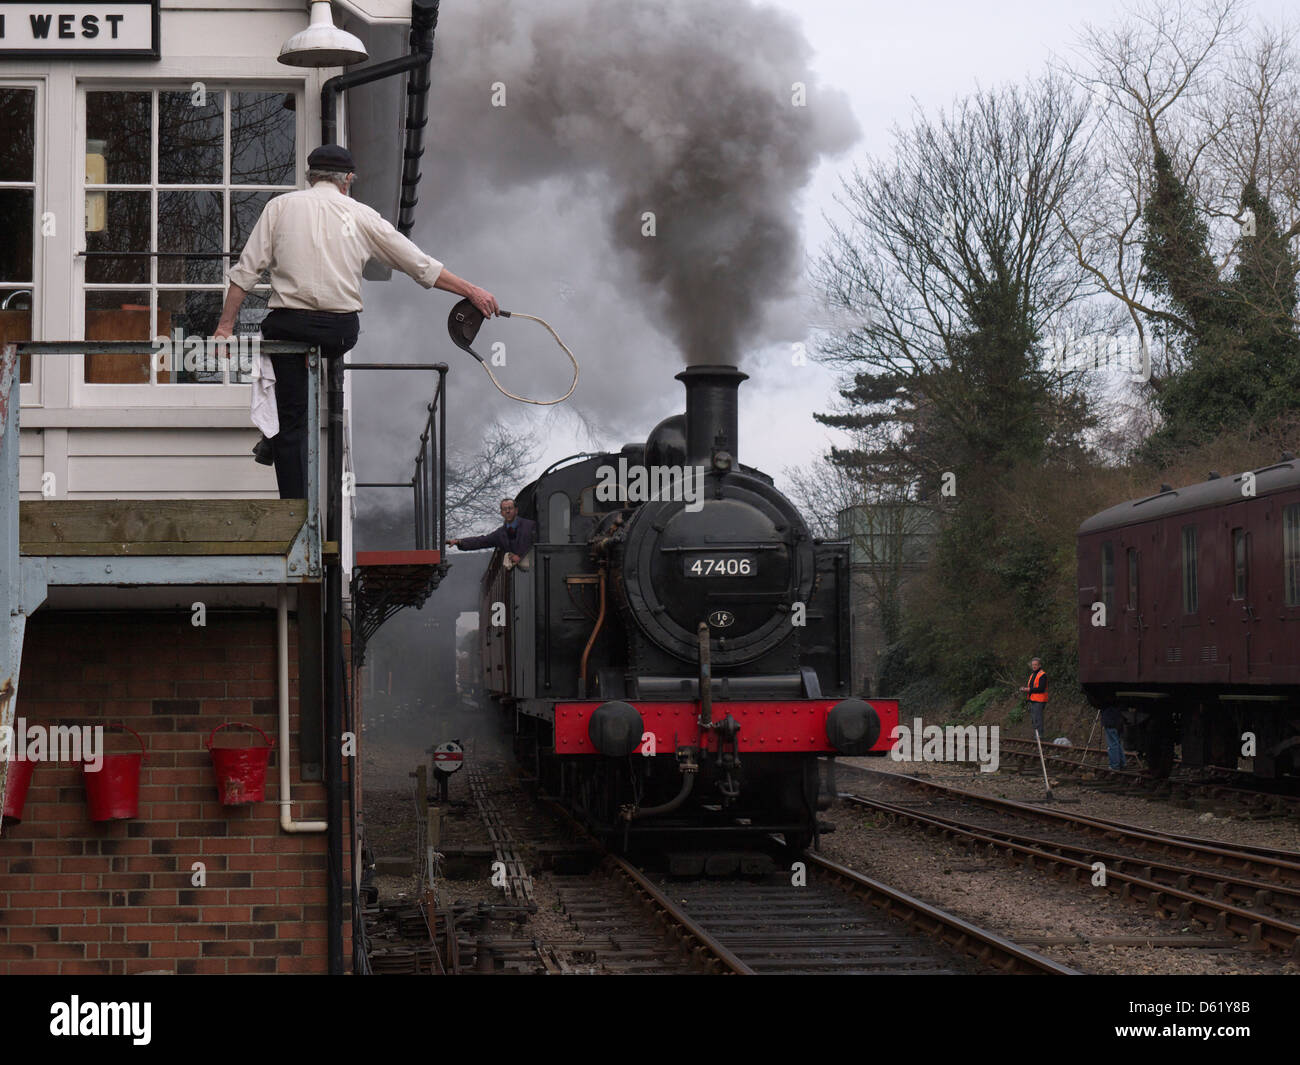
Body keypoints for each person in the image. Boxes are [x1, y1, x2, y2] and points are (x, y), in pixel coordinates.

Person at [213, 144, 499, 499]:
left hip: (289, 326)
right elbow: (420, 266)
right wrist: (471, 291)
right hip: (339, 331)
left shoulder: (280, 207)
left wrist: (225, 328)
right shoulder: (361, 215)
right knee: (309, 375)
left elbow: (246, 273)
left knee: (292, 418)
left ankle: (289, 493)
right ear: (347, 180)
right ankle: (286, 417)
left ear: (310, 176)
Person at [448, 498, 537, 567]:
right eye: (504, 509)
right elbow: (481, 541)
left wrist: (522, 557)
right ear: (501, 513)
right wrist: (460, 542)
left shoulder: (530, 526)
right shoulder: (500, 534)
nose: (508, 511)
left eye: (510, 508)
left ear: (516, 510)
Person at [1019, 657, 1048, 737]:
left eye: (1036, 665)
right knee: (1034, 718)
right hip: (1033, 699)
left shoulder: (1042, 675)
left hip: (1039, 700)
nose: (1034, 666)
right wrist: (1025, 689)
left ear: (1040, 665)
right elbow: (1032, 687)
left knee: (1038, 718)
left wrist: (1028, 689)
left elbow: (1041, 689)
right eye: (1033, 665)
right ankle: (1037, 735)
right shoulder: (1033, 675)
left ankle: (1039, 735)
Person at [1100, 703, 1126, 769]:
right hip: (1119, 720)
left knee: (1113, 744)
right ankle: (1122, 763)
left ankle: (1114, 765)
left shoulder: (1106, 698)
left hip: (1110, 721)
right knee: (1118, 743)